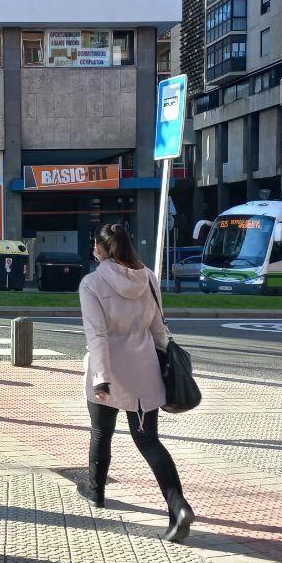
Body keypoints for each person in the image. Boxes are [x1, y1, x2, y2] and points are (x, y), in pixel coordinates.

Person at [78, 222, 194, 542]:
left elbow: (96, 336)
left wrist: (101, 378)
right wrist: (165, 365)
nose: (93, 249)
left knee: (102, 431)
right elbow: (158, 330)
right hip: (144, 374)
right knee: (148, 441)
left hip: (108, 373)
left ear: (101, 249)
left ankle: (96, 491)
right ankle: (178, 506)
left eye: (95, 245)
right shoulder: (149, 278)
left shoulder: (91, 283)